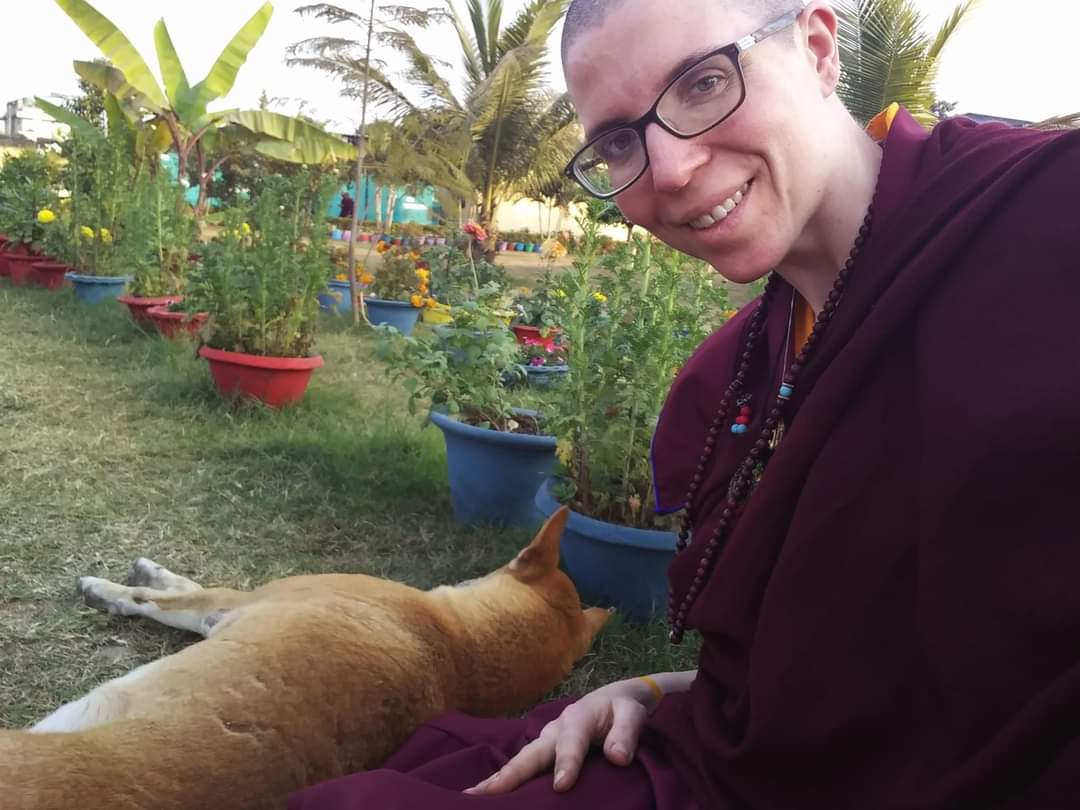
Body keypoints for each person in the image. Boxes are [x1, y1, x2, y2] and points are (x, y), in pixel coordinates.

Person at [291, 1, 1080, 807]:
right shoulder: (731, 380)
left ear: (817, 48)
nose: (668, 170)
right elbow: (818, 678)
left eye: (704, 83)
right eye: (619, 142)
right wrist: (653, 689)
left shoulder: (1048, 216)